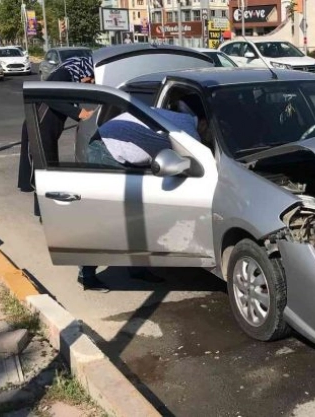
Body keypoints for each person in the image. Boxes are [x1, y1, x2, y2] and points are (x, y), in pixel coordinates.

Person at [78, 106, 211, 292]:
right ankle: (87, 274)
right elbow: (196, 170)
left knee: (137, 216)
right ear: (204, 124)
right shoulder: (190, 135)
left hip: (120, 147)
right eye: (211, 135)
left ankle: (137, 268)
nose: (210, 140)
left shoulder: (183, 119)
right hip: (106, 149)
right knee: (109, 219)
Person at [17, 56, 96, 217]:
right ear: (83, 70)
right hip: (39, 127)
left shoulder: (70, 76)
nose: (90, 82)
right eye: (90, 78)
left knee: (46, 169)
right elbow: (49, 96)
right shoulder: (64, 74)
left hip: (45, 128)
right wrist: (79, 113)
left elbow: (64, 101)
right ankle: (45, 213)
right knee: (44, 170)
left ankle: (44, 212)